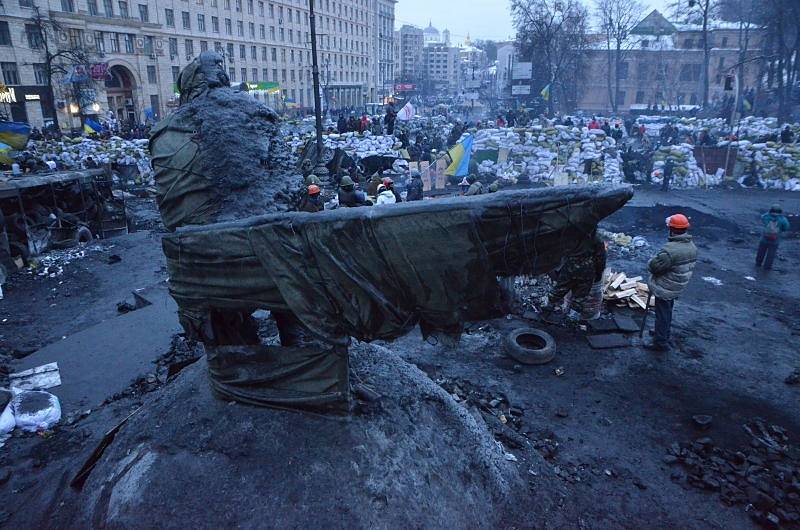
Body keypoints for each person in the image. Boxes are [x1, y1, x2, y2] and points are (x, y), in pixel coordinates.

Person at [643, 214, 698, 352]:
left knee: (662, 314)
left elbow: (654, 267)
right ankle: (662, 333)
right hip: (677, 285)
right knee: (667, 310)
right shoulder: (691, 246)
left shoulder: (670, 250)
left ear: (671, 229)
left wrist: (651, 261)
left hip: (666, 286)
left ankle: (660, 342)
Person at [542, 231, 607, 322]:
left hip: (569, 268)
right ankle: (572, 318)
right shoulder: (597, 239)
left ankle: (547, 308)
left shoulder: (570, 234)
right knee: (580, 296)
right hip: (587, 271)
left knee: (560, 289)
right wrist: (599, 272)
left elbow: (559, 251)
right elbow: (601, 258)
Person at [756, 205, 790, 270]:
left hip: (764, 238)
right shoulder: (783, 219)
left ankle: (758, 263)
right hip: (775, 239)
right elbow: (786, 228)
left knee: (761, 251)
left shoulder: (766, 217)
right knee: (771, 254)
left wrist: (768, 213)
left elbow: (762, 217)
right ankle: (767, 267)